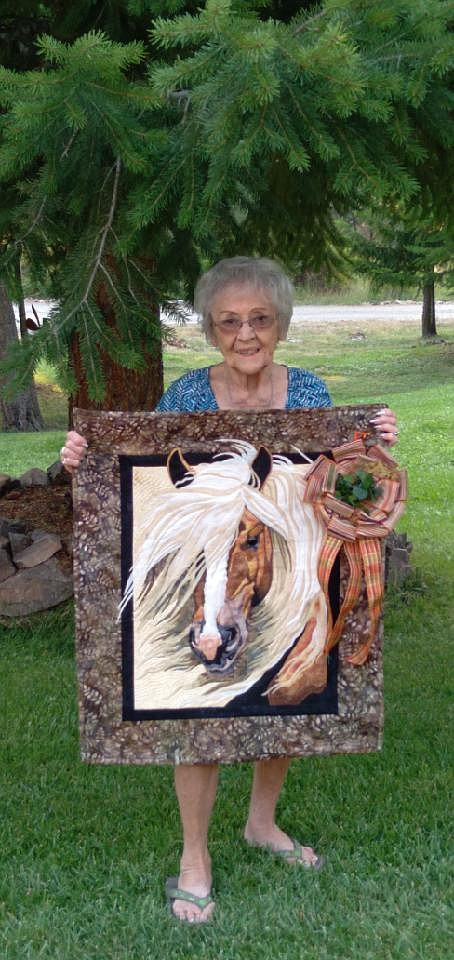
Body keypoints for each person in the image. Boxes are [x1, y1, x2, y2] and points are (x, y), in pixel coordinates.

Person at [61, 257, 398, 924]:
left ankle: (261, 824)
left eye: (260, 320)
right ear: (213, 330)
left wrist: (374, 441)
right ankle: (194, 855)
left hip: (287, 573)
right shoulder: (187, 396)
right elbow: (145, 479)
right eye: (230, 322)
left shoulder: (306, 390)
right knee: (196, 717)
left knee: (289, 700)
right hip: (211, 578)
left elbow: (340, 475)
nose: (246, 334)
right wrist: (86, 456)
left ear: (280, 325)